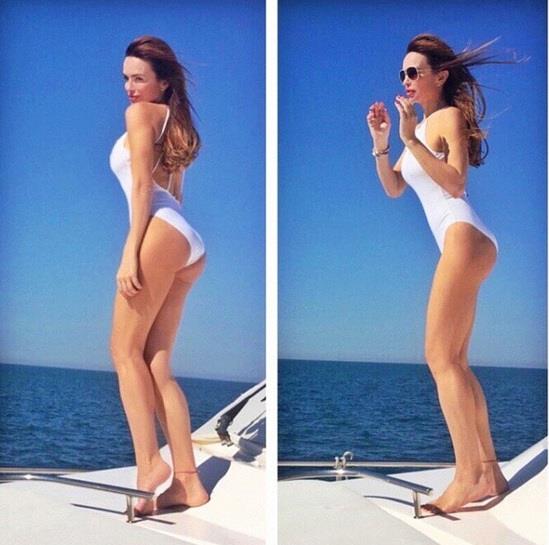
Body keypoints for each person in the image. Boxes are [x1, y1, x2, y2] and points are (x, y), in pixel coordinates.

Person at [366, 34, 511, 514]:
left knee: (438, 357)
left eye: (414, 72)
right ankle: (489, 472)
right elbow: (393, 188)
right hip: (465, 241)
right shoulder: (419, 129)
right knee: (457, 363)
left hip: (463, 234)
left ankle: (466, 477)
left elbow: (456, 182)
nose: (406, 80)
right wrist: (383, 144)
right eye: (402, 73)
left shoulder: (445, 118)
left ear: (440, 76)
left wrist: (410, 138)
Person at [109, 35, 209, 516]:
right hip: (187, 240)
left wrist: (130, 253)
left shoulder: (140, 116)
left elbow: (142, 188)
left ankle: (149, 465)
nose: (130, 87)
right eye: (126, 78)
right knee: (156, 363)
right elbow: (175, 193)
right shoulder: (176, 123)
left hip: (160, 230)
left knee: (123, 350)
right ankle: (187, 482)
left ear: (163, 82)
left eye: (139, 78)